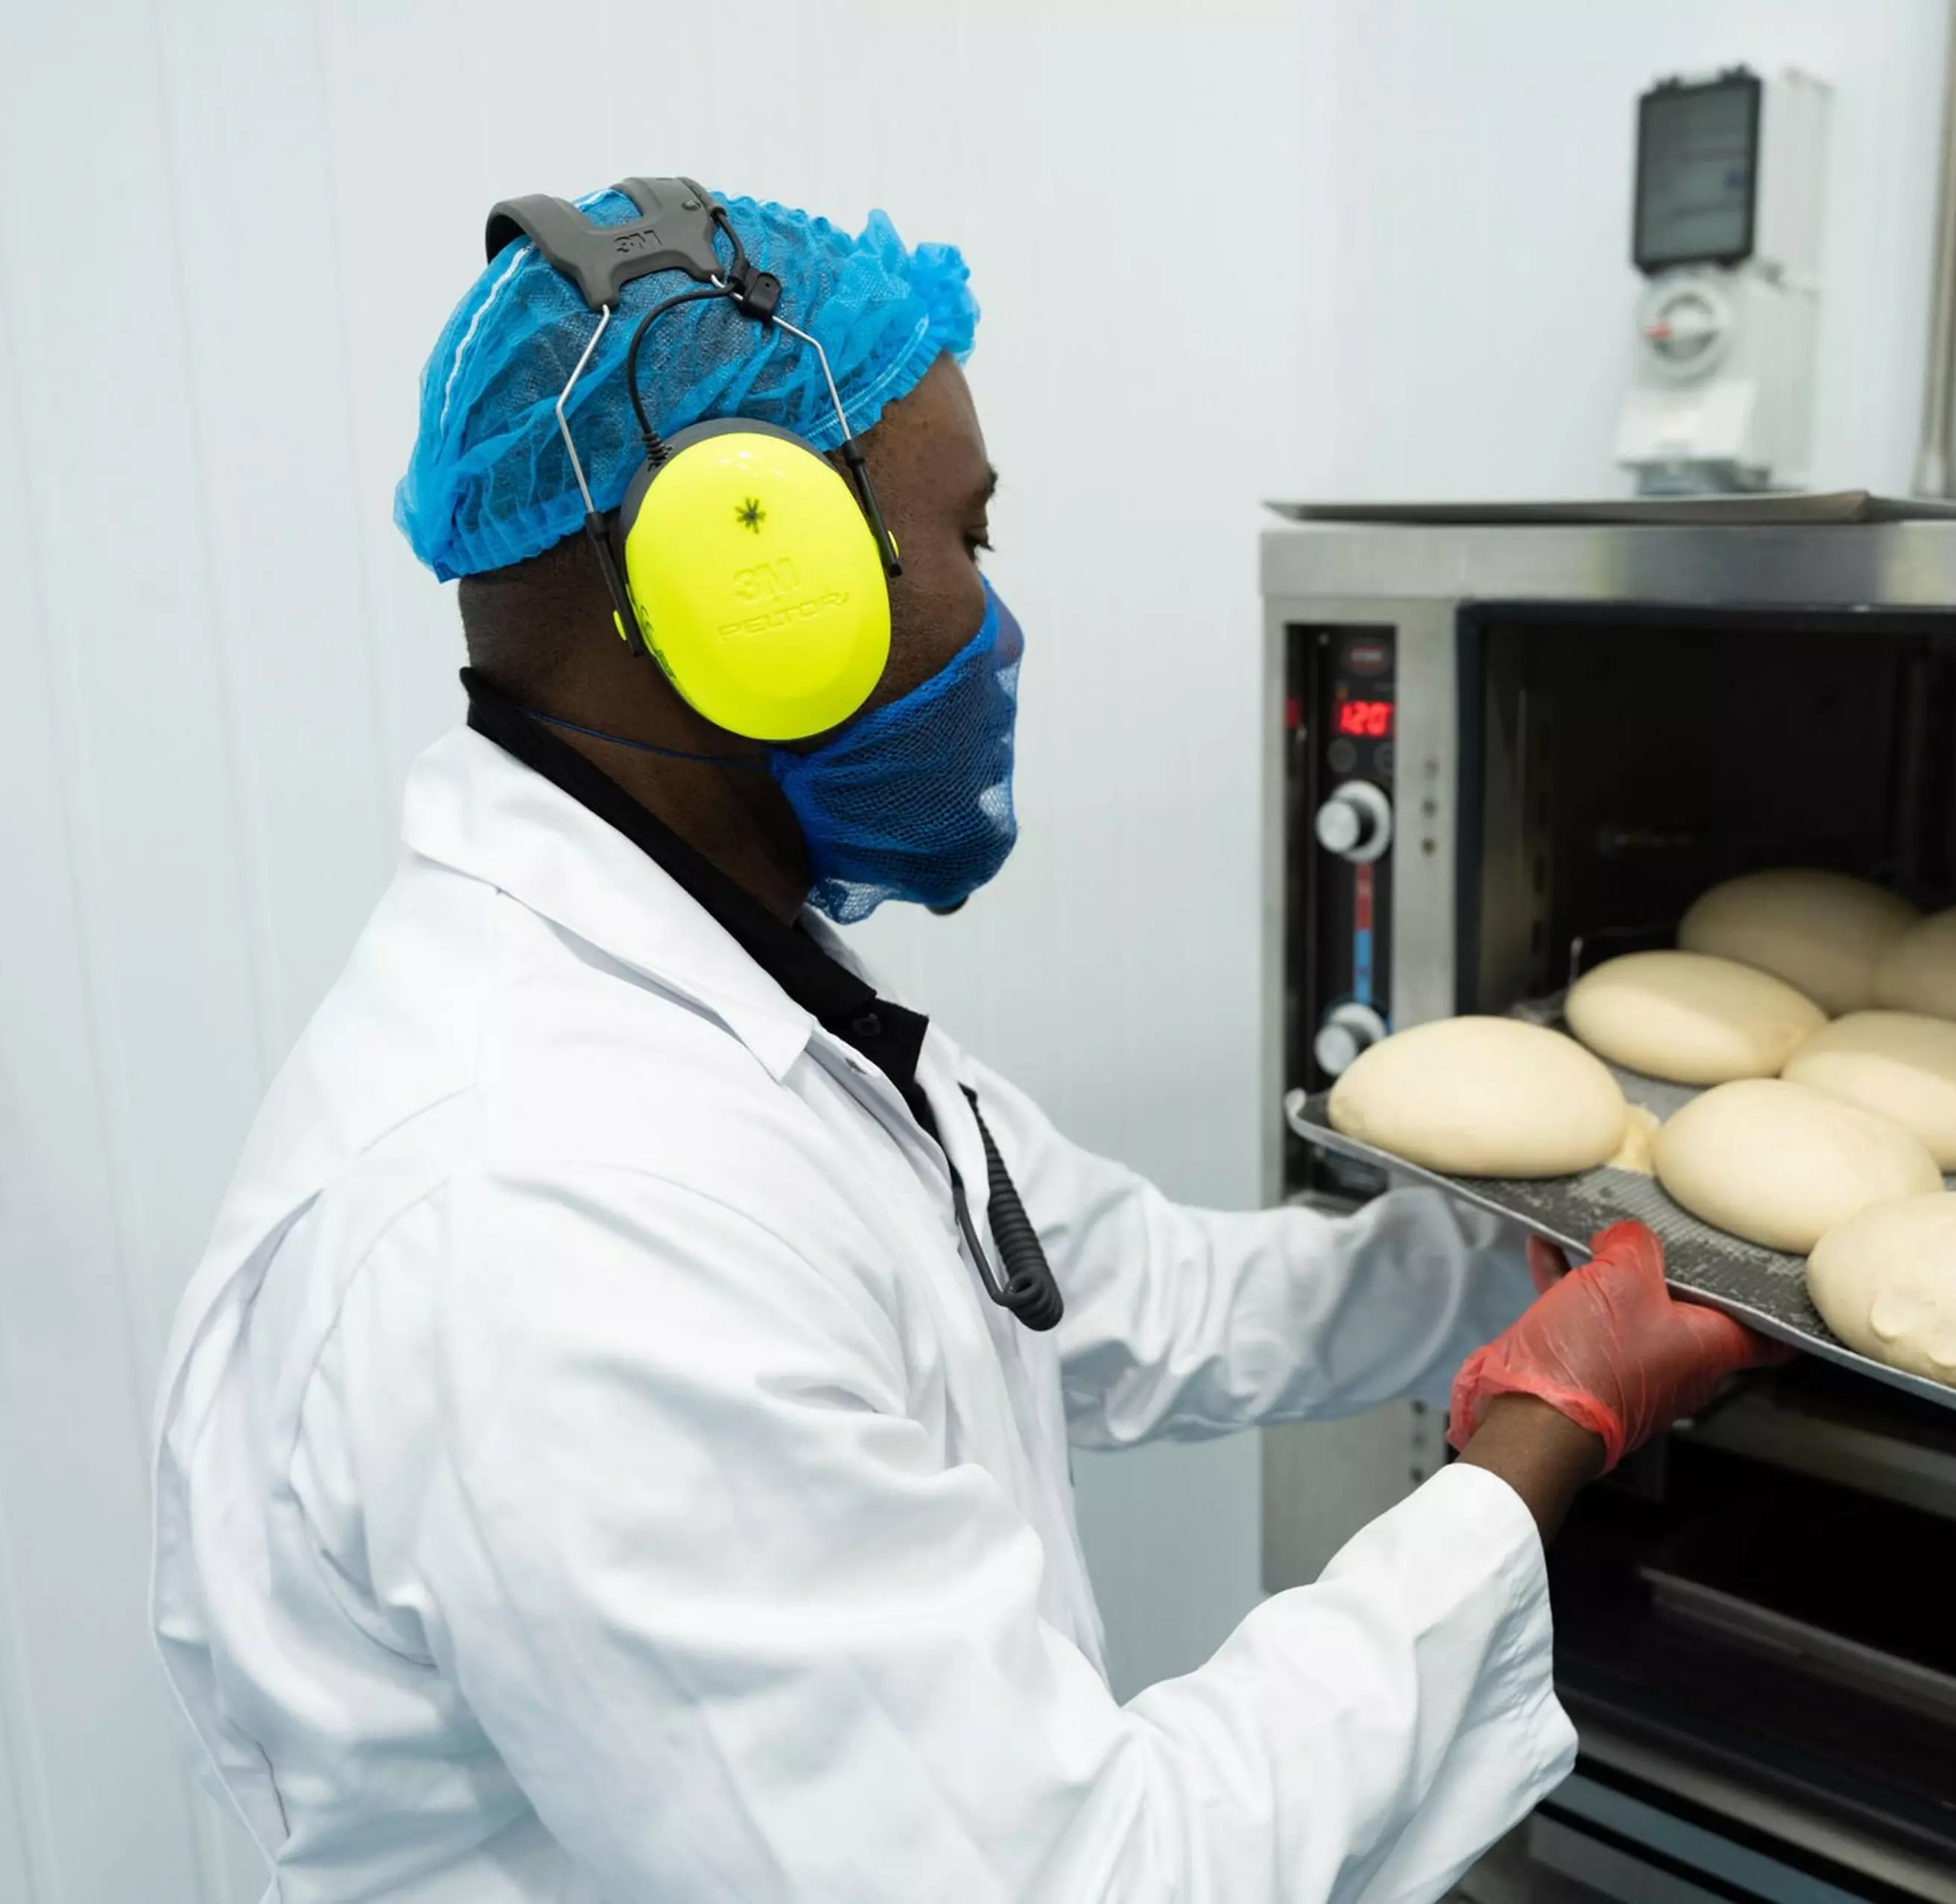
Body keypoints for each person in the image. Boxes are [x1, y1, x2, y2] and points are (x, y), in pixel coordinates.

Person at [149, 181, 1778, 1903]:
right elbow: (1084, 1878)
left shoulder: (734, 989)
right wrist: (1540, 1437)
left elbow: (1136, 1299)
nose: (1001, 627)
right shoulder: (556, 1234)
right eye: (971, 540)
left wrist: (1537, 1269)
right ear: (748, 578)